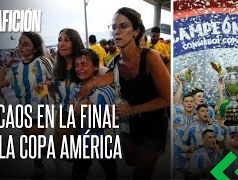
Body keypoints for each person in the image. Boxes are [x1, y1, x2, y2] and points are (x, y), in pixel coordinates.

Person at [108, 7, 170, 179]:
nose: (117, 32)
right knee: (129, 161)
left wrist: (133, 109)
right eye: (114, 27)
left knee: (140, 174)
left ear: (136, 31)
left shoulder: (150, 57)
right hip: (129, 127)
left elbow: (168, 98)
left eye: (123, 26)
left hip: (152, 127)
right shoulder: (114, 63)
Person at [0, 32, 53, 178]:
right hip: (23, 111)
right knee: (31, 141)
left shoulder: (42, 61)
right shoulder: (15, 69)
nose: (20, 46)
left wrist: (47, 84)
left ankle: (47, 154)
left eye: (26, 44)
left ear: (34, 48)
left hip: (40, 110)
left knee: (34, 140)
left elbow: (55, 79)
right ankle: (39, 164)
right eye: (20, 42)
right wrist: (6, 65)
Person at [70, 49, 118, 180]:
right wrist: (76, 112)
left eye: (84, 64)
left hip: (105, 144)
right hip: (83, 144)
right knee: (78, 173)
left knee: (110, 171)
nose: (79, 68)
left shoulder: (106, 91)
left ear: (96, 66)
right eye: (76, 65)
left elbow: (111, 121)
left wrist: (89, 110)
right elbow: (74, 120)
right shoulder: (75, 90)